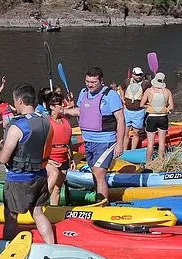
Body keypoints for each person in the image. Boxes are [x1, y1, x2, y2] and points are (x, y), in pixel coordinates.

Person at [0, 84, 56, 243]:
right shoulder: (46, 122)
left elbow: (3, 158)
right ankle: (52, 247)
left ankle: (6, 249)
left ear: (20, 101)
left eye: (15, 101)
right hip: (40, 176)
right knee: (38, 213)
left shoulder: (16, 126)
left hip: (19, 179)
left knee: (11, 215)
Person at [63, 67, 125, 200]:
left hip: (106, 141)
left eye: (93, 82)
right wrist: (65, 111)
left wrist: (120, 143)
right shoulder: (83, 93)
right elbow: (80, 111)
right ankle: (98, 197)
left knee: (99, 172)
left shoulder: (111, 95)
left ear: (101, 81)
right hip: (88, 141)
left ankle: (102, 203)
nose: (90, 85)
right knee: (94, 173)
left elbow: (120, 119)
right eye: (87, 81)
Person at [45, 91, 73, 205]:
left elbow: (69, 141)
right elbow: (41, 144)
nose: (63, 105)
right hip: (49, 159)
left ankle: (53, 211)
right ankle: (38, 204)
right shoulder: (47, 122)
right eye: (59, 103)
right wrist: (46, 160)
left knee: (57, 188)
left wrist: (71, 158)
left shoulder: (65, 121)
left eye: (62, 103)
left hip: (63, 159)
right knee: (54, 175)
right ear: (51, 107)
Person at [141, 72, 175, 163]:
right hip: (163, 117)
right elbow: (171, 107)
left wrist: (149, 106)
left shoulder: (149, 91)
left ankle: (148, 163)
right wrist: (167, 108)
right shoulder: (167, 92)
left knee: (150, 143)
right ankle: (161, 162)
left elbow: (141, 104)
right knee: (161, 143)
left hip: (151, 117)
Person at [122, 67, 150, 151]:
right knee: (125, 133)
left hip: (139, 112)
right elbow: (121, 88)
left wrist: (147, 103)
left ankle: (133, 150)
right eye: (137, 75)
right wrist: (123, 99)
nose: (139, 76)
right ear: (132, 75)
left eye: (140, 75)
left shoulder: (145, 84)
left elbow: (152, 91)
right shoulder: (127, 81)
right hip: (127, 111)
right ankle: (124, 150)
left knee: (136, 132)